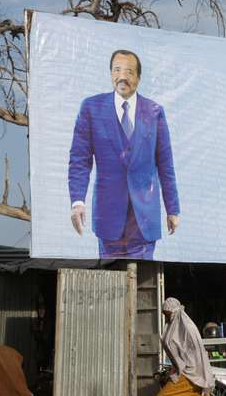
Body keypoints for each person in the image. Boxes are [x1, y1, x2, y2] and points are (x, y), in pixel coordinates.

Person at [68, 49, 180, 261]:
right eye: (117, 70)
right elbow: (79, 161)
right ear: (110, 73)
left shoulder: (154, 111)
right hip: (109, 216)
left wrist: (172, 209)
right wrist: (77, 202)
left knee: (144, 284)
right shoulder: (91, 108)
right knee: (111, 284)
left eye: (129, 72)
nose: (122, 77)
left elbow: (166, 165)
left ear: (138, 77)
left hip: (144, 218)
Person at [156, 298, 216, 396]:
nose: (166, 317)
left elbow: (195, 355)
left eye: (168, 314)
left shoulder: (187, 328)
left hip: (190, 373)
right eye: (165, 314)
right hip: (185, 371)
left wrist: (180, 369)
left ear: (175, 312)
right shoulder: (174, 326)